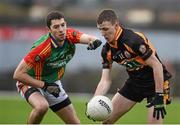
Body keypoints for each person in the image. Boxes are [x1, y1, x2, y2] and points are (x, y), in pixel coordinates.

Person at [13, 11, 102, 124]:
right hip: (30, 81)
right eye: (56, 27)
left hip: (53, 83)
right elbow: (18, 74)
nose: (61, 29)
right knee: (42, 107)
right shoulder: (41, 48)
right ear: (49, 29)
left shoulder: (69, 35)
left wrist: (94, 41)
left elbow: (88, 38)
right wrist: (44, 85)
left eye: (62, 25)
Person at [87, 9, 172, 124]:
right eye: (100, 29)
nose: (103, 33)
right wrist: (94, 101)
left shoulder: (133, 41)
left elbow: (157, 65)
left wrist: (159, 94)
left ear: (116, 25)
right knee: (106, 122)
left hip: (155, 84)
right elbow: (105, 80)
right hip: (134, 83)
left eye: (106, 29)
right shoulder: (106, 51)